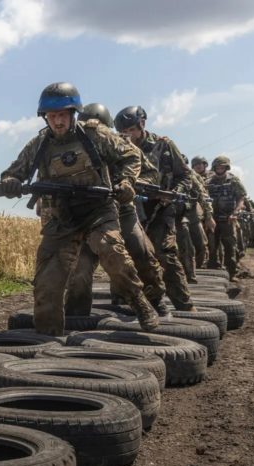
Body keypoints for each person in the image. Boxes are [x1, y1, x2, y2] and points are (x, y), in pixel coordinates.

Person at [0, 83, 159, 335]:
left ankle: (139, 302)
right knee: (46, 285)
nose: (58, 121)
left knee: (113, 253)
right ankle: (45, 341)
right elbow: (14, 171)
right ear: (45, 117)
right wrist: (10, 182)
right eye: (52, 116)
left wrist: (126, 182)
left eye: (62, 115)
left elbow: (131, 155)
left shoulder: (95, 134)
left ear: (73, 113)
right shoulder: (39, 144)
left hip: (98, 211)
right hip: (61, 218)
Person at [65, 102, 167, 316]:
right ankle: (76, 315)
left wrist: (128, 183)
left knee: (142, 254)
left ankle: (156, 301)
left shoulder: (118, 143)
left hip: (123, 211)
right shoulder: (72, 147)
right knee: (79, 268)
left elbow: (151, 173)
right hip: (90, 216)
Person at [114, 106, 196, 311]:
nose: (128, 136)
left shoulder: (164, 145)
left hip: (161, 207)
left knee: (164, 253)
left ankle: (184, 305)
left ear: (142, 125)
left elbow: (185, 176)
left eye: (131, 130)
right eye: (123, 132)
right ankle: (126, 302)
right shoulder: (117, 148)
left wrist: (173, 194)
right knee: (129, 254)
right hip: (132, 207)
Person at [206, 155, 248, 280]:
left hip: (228, 219)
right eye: (217, 166)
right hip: (212, 219)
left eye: (222, 166)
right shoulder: (208, 182)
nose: (219, 168)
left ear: (226, 167)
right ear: (214, 167)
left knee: (230, 246)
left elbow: (241, 198)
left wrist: (235, 213)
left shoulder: (233, 181)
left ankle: (232, 272)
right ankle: (212, 271)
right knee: (212, 246)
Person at [188, 156, 214, 270]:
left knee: (207, 241)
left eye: (200, 163)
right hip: (193, 212)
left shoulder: (213, 177)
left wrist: (209, 215)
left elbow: (203, 195)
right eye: (196, 164)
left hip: (206, 210)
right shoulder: (188, 175)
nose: (198, 166)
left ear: (205, 164)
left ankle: (208, 265)